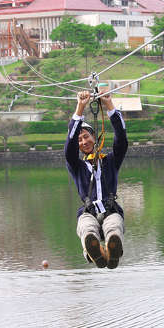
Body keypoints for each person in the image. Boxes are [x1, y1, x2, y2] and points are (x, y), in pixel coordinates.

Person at [65, 88, 128, 269]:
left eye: (86, 137)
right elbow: (68, 146)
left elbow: (121, 140)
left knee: (114, 227)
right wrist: (80, 108)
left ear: (94, 137)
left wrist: (109, 106)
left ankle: (112, 250)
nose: (84, 142)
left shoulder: (110, 161)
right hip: (88, 211)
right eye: (80, 140)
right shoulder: (76, 166)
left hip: (110, 210)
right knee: (87, 228)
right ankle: (94, 252)